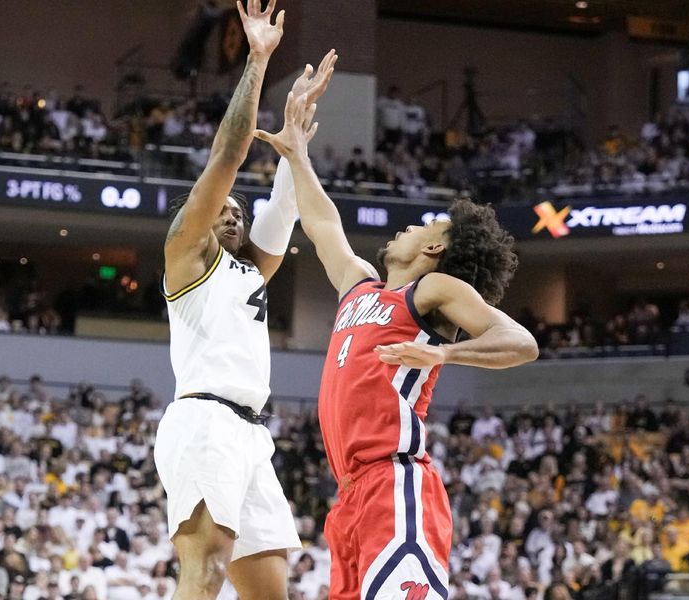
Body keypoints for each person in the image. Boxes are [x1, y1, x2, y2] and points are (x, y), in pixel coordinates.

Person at [254, 80, 538, 598]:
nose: (406, 227)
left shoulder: (433, 288)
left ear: (433, 247)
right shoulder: (358, 283)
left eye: (423, 226)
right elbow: (322, 223)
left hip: (394, 482)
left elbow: (520, 342)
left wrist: (446, 351)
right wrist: (297, 154)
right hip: (351, 495)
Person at [153, 3, 336, 599]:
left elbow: (284, 212)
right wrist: (257, 60)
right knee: (203, 575)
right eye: (223, 210)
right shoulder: (187, 254)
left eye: (239, 211)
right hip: (204, 419)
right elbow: (227, 158)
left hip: (252, 433)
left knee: (269, 593)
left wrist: (296, 144)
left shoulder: (249, 270)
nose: (234, 214)